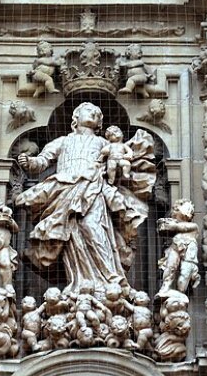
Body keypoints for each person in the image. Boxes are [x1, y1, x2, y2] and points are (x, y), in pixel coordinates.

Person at [15, 103, 150, 294]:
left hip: (93, 190)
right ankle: (78, 281)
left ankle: (111, 278)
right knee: (70, 234)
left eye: (98, 112)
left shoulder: (103, 143)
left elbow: (117, 164)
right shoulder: (63, 141)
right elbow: (43, 161)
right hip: (64, 191)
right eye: (89, 110)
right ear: (75, 118)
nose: (94, 112)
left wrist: (119, 166)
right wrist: (29, 162)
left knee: (93, 227)